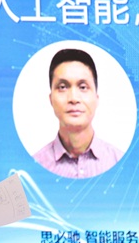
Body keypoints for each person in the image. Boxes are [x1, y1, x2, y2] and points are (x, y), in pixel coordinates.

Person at [32, 48, 124, 179]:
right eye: (62, 87)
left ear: (96, 98)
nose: (74, 98)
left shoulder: (120, 162)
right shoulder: (34, 166)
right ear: (51, 99)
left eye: (83, 87)